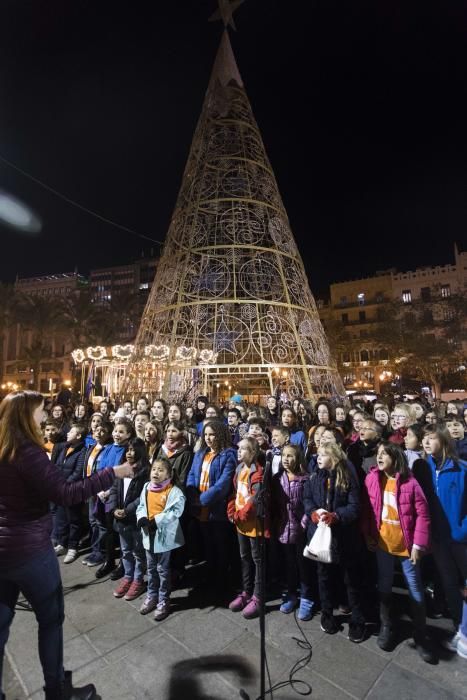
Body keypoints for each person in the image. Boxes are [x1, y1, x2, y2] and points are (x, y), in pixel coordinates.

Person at [0, 390, 134, 700]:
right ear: (25, 415)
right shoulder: (27, 452)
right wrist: (110, 473)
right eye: (40, 411)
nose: (45, 417)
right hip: (29, 550)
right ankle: (56, 690)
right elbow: (65, 493)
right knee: (50, 618)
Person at [361, 442, 434, 662]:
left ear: (396, 457)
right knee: (384, 583)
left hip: (406, 546)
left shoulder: (410, 483)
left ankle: (421, 634)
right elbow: (367, 510)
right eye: (378, 453)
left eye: (385, 454)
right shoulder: (372, 478)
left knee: (414, 585)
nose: (380, 457)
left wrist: (418, 545)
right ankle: (387, 626)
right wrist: (367, 535)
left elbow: (423, 515)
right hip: (383, 544)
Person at [303, 443, 366, 642]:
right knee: (324, 577)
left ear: (334, 457)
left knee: (350, 579)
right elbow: (307, 498)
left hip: (344, 537)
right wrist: (313, 512)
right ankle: (327, 614)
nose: (318, 457)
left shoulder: (346, 476)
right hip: (321, 537)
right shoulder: (315, 476)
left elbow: (355, 506)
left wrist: (337, 516)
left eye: (323, 455)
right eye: (318, 454)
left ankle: (357, 620)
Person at [412, 425, 467, 652]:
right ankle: (459, 627)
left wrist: (463, 530)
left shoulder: (461, 469)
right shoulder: (423, 469)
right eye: (424, 438)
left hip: (460, 538)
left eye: (431, 438)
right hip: (437, 539)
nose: (426, 442)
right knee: (449, 583)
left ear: (443, 441)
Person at [186, 420, 237, 590]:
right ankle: (210, 575)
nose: (208, 438)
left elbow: (223, 485)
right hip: (200, 507)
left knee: (220, 545)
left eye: (212, 434)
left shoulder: (228, 454)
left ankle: (221, 579)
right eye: (206, 434)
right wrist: (192, 493)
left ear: (220, 435)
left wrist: (201, 499)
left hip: (217, 508)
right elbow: (192, 474)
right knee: (207, 544)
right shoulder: (201, 453)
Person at [271, 444, 318, 621]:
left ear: (297, 458)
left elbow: (310, 504)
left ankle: (306, 597)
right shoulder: (277, 478)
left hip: (301, 529)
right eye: (284, 455)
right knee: (289, 564)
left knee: (304, 565)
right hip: (284, 528)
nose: (286, 459)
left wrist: (304, 524)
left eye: (290, 456)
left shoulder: (306, 478)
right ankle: (291, 594)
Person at [136, 458, 185, 620]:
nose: (156, 472)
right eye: (154, 469)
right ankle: (152, 595)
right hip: (148, 535)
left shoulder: (174, 492)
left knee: (163, 570)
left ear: (168, 474)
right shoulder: (146, 487)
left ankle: (164, 599)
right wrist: (142, 518)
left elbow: (175, 512)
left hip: (163, 537)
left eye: (161, 470)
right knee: (150, 568)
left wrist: (155, 521)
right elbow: (141, 506)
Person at [227, 437, 266, 619]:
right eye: (239, 448)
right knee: (244, 558)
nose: (239, 451)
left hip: (253, 523)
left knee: (257, 559)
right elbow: (236, 493)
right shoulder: (239, 469)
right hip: (240, 522)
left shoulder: (257, 472)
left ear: (252, 452)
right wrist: (232, 510)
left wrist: (242, 514)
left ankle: (258, 597)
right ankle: (246, 591)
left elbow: (254, 498)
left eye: (243, 449)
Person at [109, 438, 149, 602]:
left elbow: (143, 496)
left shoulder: (146, 471)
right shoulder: (121, 470)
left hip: (135, 519)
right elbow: (113, 490)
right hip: (121, 519)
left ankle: (138, 580)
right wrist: (114, 508)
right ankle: (128, 576)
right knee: (125, 551)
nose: (129, 453)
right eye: (127, 450)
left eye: (133, 450)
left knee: (138, 552)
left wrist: (127, 510)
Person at [51, 423, 87, 564]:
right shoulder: (64, 447)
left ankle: (73, 547)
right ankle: (62, 543)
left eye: (71, 432)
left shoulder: (82, 450)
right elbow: (57, 466)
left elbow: (77, 472)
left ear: (78, 436)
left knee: (74, 520)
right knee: (61, 518)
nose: (67, 434)